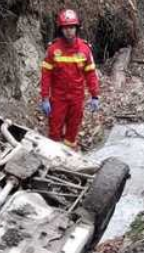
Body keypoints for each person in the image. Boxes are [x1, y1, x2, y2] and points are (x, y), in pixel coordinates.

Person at [40, 9, 100, 149]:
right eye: (66, 28)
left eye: (72, 27)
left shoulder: (84, 49)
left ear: (76, 28)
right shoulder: (53, 50)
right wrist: (45, 98)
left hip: (77, 98)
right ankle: (53, 155)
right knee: (54, 130)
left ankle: (69, 154)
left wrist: (95, 95)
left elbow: (90, 74)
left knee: (73, 130)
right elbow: (46, 75)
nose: (69, 31)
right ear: (61, 29)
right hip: (58, 98)